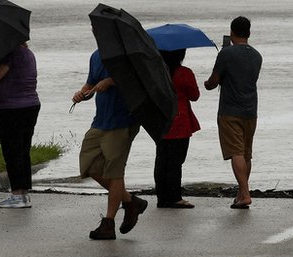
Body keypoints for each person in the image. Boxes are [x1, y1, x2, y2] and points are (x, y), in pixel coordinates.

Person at [71, 48, 148, 240]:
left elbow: (140, 80)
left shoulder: (128, 54)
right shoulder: (96, 55)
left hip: (123, 121)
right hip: (100, 121)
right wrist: (82, 94)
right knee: (89, 166)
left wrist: (111, 81)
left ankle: (108, 223)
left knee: (114, 172)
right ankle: (130, 201)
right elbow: (90, 84)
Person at [204, 16, 262, 210]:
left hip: (230, 110)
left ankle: (245, 194)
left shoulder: (226, 54)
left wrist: (207, 83)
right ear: (249, 33)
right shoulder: (257, 56)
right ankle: (241, 193)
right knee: (246, 154)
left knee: (236, 152)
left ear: (231, 32)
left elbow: (213, 82)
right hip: (251, 109)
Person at [0, 42, 41, 209]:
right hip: (30, 105)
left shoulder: (11, 53)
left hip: (13, 108)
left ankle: (17, 194)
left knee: (12, 151)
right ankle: (23, 193)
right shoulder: (28, 53)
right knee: (23, 151)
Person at [154, 49, 201, 209]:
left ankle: (162, 197)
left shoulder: (156, 72)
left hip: (161, 120)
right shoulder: (184, 73)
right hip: (180, 121)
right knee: (176, 161)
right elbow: (194, 96)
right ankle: (174, 197)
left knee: (161, 160)